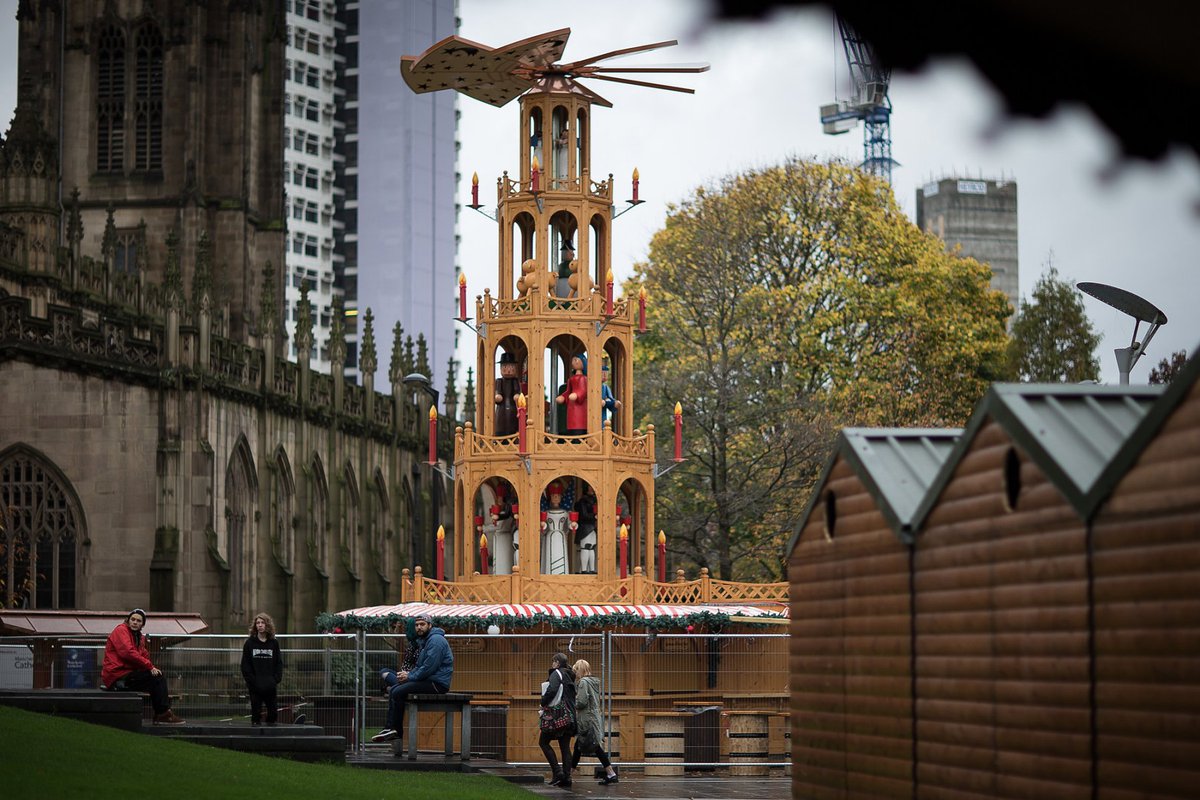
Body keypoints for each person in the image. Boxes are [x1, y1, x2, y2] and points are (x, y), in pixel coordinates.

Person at [371, 613, 454, 743]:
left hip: (437, 684)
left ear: (430, 625)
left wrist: (409, 676)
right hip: (428, 680)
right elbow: (421, 666)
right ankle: (390, 728)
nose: (419, 627)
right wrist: (407, 675)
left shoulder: (436, 640)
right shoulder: (426, 641)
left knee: (398, 691)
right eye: (416, 625)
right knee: (394, 689)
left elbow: (428, 667)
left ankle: (396, 730)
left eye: (422, 624)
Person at [100, 608, 185, 725]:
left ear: (142, 624)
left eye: (138, 621)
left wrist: (151, 668)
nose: (135, 622)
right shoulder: (121, 630)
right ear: (128, 620)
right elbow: (127, 652)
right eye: (133, 619)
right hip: (117, 676)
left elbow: (143, 655)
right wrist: (150, 667)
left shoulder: (139, 637)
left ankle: (162, 714)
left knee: (157, 677)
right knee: (156, 678)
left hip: (126, 674)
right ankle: (163, 714)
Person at [570, 659, 618, 785]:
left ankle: (568, 774)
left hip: (586, 719)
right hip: (594, 717)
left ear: (579, 670)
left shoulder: (583, 682)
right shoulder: (593, 682)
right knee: (583, 746)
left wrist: (572, 702)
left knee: (590, 746)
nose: (574, 674)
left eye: (575, 670)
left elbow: (581, 702)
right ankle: (610, 773)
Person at [539, 652, 577, 787]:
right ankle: (566, 778)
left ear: (557, 662)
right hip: (570, 716)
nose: (552, 664)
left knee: (543, 742)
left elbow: (552, 690)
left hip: (557, 715)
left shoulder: (556, 673)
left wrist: (543, 701)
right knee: (565, 747)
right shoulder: (570, 675)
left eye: (553, 661)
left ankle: (557, 772)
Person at [240, 612, 283, 725]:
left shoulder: (273, 643)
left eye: (262, 622)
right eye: (258, 623)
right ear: (255, 626)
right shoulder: (249, 643)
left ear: (267, 625)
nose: (260, 625)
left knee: (273, 713)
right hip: (255, 685)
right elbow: (245, 665)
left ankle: (270, 737)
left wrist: (275, 679)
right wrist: (252, 681)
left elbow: (278, 663)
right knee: (256, 714)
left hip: (270, 684)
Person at [541, 482, 570, 575]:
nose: (556, 498)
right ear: (550, 497)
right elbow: (543, 529)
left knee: (561, 556)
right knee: (550, 556)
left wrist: (572, 525)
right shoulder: (546, 513)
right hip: (549, 537)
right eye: (553, 495)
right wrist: (543, 525)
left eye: (558, 496)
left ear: (561, 497)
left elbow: (568, 527)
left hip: (561, 537)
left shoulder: (565, 513)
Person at [555, 355, 587, 437]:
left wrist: (577, 395)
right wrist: (563, 397)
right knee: (571, 426)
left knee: (578, 428)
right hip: (571, 407)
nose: (575, 362)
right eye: (573, 360)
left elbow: (583, 391)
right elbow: (568, 391)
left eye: (577, 360)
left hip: (580, 408)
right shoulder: (571, 379)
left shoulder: (584, 379)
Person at [493, 352, 522, 437]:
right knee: (501, 422)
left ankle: (513, 434)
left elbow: (517, 391)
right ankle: (500, 435)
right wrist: (498, 396)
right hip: (502, 407)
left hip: (513, 406)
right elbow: (498, 391)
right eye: (505, 367)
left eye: (511, 367)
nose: (509, 370)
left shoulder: (515, 381)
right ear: (501, 368)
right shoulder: (499, 381)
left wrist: (517, 395)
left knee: (512, 421)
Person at [573, 484, 598, 574]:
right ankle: (583, 569)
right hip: (585, 527)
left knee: (591, 548)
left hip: (593, 527)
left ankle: (591, 569)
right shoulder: (583, 501)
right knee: (585, 548)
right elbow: (583, 515)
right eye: (590, 487)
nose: (592, 489)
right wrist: (594, 516)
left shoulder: (596, 500)